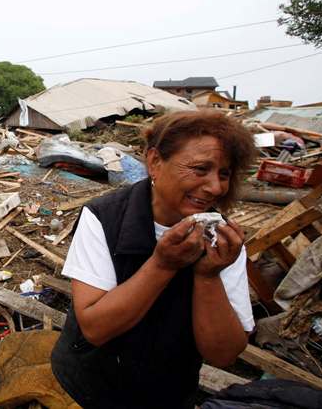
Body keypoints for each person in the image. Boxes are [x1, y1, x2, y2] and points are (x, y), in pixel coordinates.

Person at [51, 110, 258, 409]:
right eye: (200, 169)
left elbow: (224, 354)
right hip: (88, 389)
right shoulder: (104, 217)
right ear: (154, 162)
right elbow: (95, 328)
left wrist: (208, 276)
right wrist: (162, 264)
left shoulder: (220, 240)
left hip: (168, 394)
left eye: (223, 174)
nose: (215, 187)